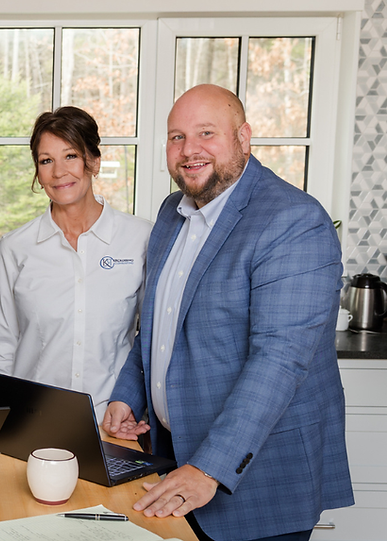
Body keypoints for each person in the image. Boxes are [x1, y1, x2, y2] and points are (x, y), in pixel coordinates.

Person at [102, 84, 353, 541]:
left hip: (256, 479)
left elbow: (279, 362)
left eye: (206, 133)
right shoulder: (170, 214)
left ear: (244, 137)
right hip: (173, 461)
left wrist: (208, 469)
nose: (188, 149)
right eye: (176, 137)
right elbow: (157, 328)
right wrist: (127, 397)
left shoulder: (293, 221)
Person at [0, 106, 151, 422]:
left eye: (71, 156)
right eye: (46, 160)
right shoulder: (15, 248)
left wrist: (135, 404)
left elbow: (154, 337)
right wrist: (2, 423)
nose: (59, 172)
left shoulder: (140, 238)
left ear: (94, 161)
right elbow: (2, 347)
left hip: (113, 421)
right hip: (33, 421)